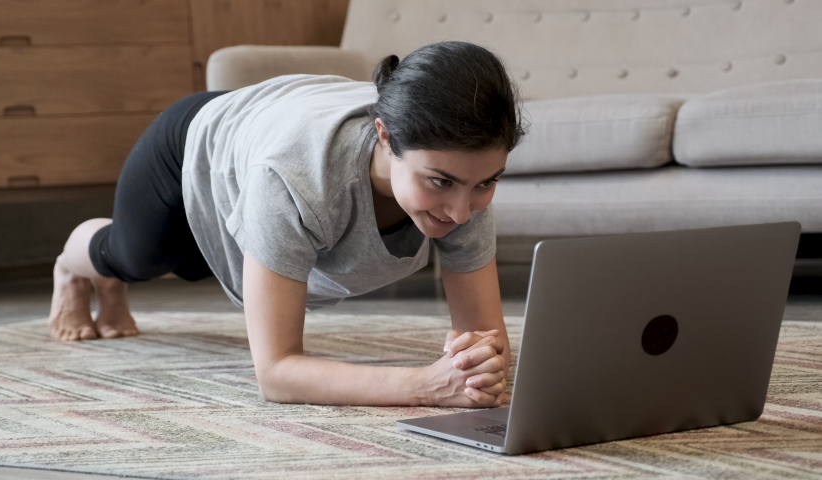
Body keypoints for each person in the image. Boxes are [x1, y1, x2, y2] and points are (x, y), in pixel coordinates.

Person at [48, 41, 526, 408]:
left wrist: (480, 367)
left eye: (487, 184)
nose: (462, 212)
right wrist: (425, 385)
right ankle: (74, 267)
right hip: (194, 142)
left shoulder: (462, 172)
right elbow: (276, 374)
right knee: (140, 258)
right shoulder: (297, 178)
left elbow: (485, 341)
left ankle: (112, 285)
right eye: (440, 182)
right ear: (385, 136)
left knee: (195, 268)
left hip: (266, 136)